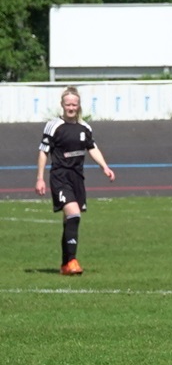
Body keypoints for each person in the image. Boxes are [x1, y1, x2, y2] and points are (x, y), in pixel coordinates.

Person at [34, 86, 116, 275]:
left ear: (79, 105)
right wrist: (40, 178)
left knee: (69, 220)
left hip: (77, 178)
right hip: (60, 177)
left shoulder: (84, 127)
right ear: (62, 105)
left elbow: (92, 147)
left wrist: (105, 167)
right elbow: (43, 152)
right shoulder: (54, 126)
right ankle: (72, 262)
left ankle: (65, 264)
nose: (71, 107)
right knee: (74, 213)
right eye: (68, 104)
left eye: (74, 104)